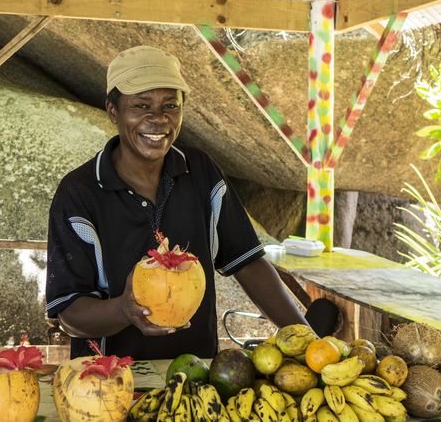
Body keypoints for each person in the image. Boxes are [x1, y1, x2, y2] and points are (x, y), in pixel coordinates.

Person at [46, 45, 335, 360]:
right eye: (141, 105)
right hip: (108, 384)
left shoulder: (200, 172)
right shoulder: (79, 193)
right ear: (113, 111)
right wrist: (124, 310)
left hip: (199, 376)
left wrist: (310, 345)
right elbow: (69, 314)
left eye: (170, 105)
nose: (158, 119)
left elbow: (248, 263)